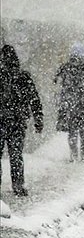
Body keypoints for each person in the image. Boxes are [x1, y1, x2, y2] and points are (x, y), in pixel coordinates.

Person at [0, 44, 43, 197]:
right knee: (16, 155)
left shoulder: (4, 75)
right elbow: (34, 99)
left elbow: (33, 99)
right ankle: (18, 185)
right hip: (17, 122)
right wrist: (38, 118)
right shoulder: (23, 76)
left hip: (3, 121)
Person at [54, 42, 84, 162]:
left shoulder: (65, 68)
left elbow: (56, 81)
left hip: (70, 104)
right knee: (83, 131)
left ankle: (73, 154)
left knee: (72, 130)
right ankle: (83, 155)